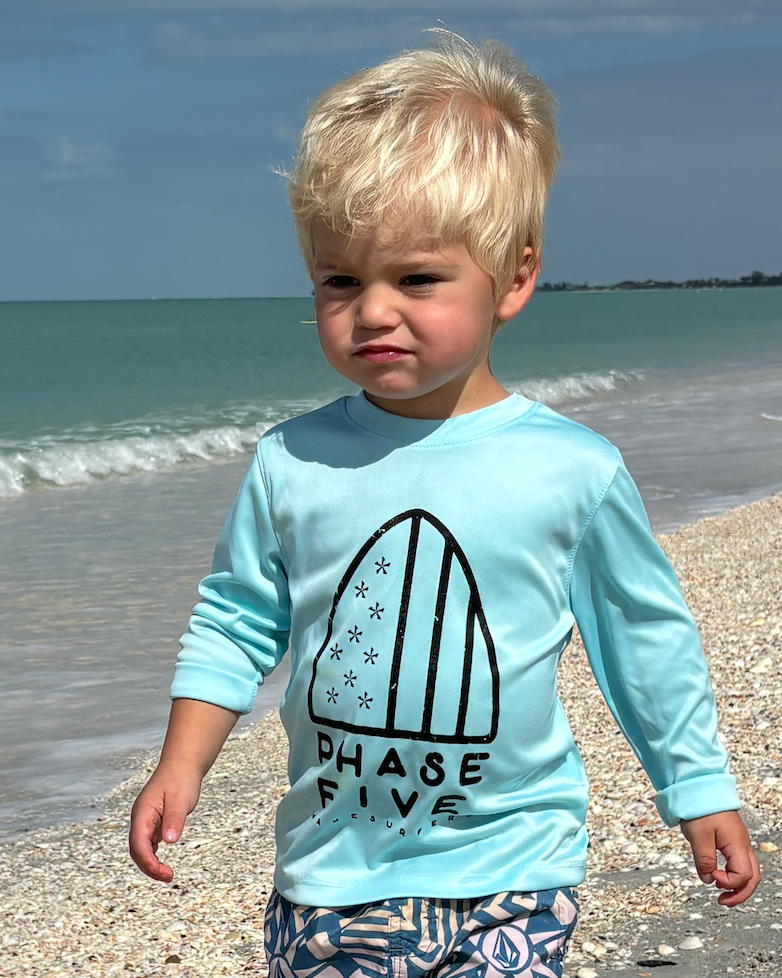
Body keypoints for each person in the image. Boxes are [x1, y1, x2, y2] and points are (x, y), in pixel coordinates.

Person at [129, 31, 760, 978]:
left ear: (514, 277)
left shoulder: (569, 469)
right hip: (331, 876)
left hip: (515, 868)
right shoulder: (292, 461)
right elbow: (236, 620)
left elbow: (643, 637)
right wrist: (181, 764)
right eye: (341, 280)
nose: (374, 310)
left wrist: (697, 788)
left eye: (417, 277)